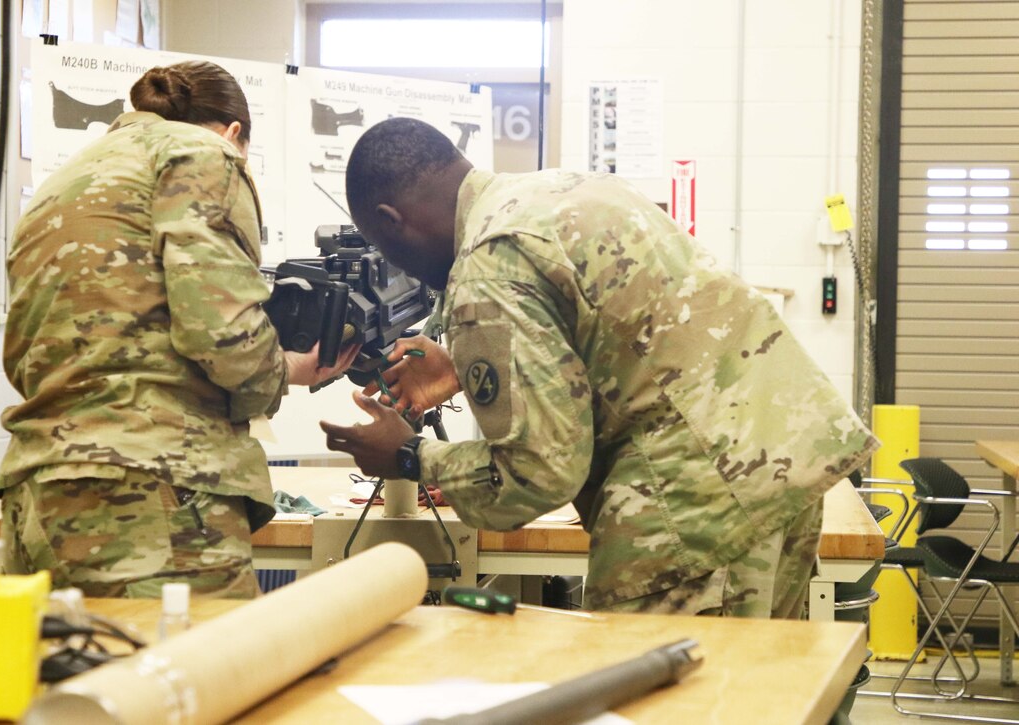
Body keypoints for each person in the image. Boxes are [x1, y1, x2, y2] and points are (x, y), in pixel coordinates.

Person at [320, 117, 880, 618]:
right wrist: (465, 367)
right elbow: (619, 348)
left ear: (392, 221)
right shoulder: (560, 188)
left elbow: (538, 475)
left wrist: (410, 455)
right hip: (782, 460)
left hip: (694, 509)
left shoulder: (487, 266)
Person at [0, 61, 357, 599]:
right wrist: (287, 371)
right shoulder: (204, 156)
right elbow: (221, 335)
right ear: (235, 134)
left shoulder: (65, 180)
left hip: (38, 492)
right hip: (150, 496)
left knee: (73, 678)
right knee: (199, 679)